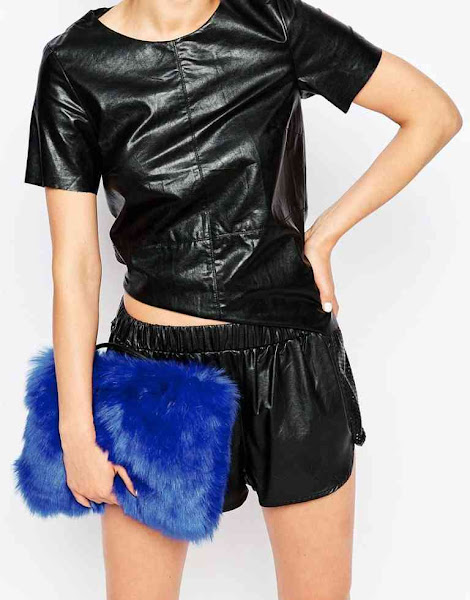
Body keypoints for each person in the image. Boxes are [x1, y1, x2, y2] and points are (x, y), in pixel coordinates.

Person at [23, 0, 462, 598]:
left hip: (291, 360)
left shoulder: (273, 21)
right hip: (157, 374)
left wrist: (324, 235)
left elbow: (433, 114)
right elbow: (75, 266)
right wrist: (75, 429)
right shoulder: (75, 61)